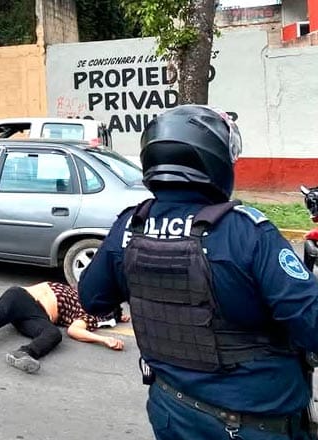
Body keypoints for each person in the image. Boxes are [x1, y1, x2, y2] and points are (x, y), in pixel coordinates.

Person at [78, 105, 318, 440]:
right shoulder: (246, 232)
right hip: (253, 423)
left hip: (172, 411)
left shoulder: (130, 227)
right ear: (214, 158)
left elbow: (92, 299)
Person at [0, 282, 125, 374]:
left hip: (37, 316)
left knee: (53, 334)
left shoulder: (89, 315)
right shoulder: (82, 289)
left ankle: (23, 354)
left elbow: (74, 330)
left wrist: (104, 339)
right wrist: (121, 316)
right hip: (21, 296)